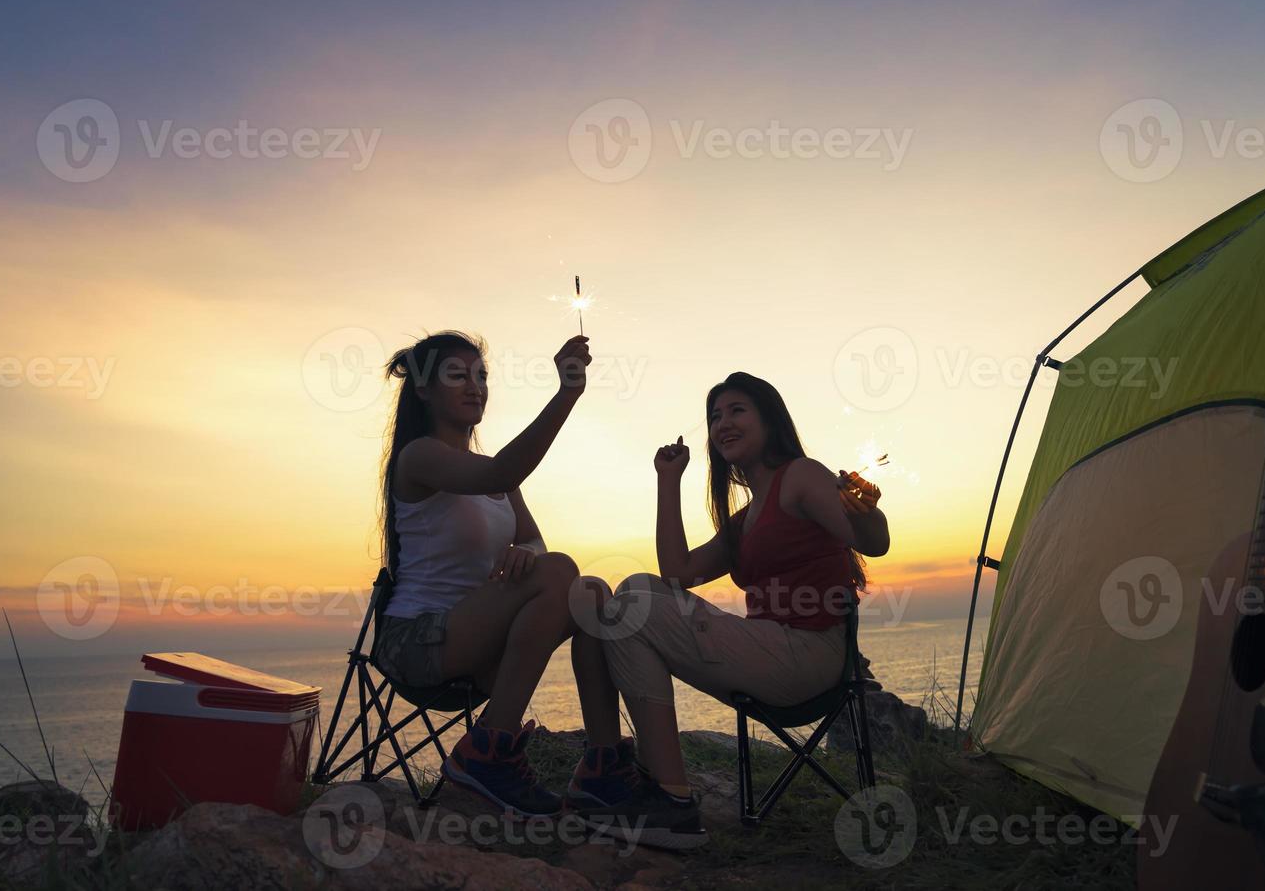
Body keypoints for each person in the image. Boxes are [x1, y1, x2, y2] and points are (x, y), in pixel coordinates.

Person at [585, 372, 888, 849]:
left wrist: (864, 508)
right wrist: (668, 481)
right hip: (775, 652)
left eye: (736, 410)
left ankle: (670, 801)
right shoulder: (745, 518)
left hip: (807, 656)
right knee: (635, 590)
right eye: (714, 416)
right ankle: (652, 782)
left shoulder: (801, 476)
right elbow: (678, 573)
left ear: (769, 419)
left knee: (634, 606)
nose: (722, 422)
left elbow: (874, 543)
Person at [373, 330, 639, 818]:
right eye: (458, 375)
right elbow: (500, 476)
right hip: (418, 641)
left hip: (481, 643)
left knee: (593, 596)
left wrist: (525, 552)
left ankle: (603, 768)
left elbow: (533, 539)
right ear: (425, 391)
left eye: (481, 375)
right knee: (561, 571)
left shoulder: (491, 470)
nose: (475, 386)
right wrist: (566, 394)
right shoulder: (420, 456)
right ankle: (489, 750)